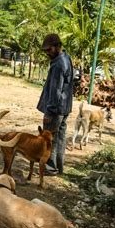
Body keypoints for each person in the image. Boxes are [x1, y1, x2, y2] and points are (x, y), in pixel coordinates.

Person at [36, 33, 74, 175]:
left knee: (49, 138)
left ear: (57, 46)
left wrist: (49, 111)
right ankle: (58, 167)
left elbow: (55, 91)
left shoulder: (58, 64)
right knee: (59, 138)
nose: (47, 53)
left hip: (56, 109)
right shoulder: (66, 58)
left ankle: (50, 168)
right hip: (64, 107)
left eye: (49, 50)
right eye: (45, 50)